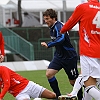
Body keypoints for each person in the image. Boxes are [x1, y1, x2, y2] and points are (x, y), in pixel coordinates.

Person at [59, 0, 100, 100]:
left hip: (89, 51)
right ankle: (74, 93)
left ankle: (74, 93)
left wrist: (62, 29)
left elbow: (67, 27)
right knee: (92, 82)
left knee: (88, 84)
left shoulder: (83, 7)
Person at [41, 9, 83, 100]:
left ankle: (81, 98)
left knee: (73, 82)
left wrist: (49, 44)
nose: (46, 21)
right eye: (45, 19)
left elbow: (61, 38)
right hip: (59, 56)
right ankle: (57, 96)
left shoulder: (59, 26)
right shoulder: (52, 27)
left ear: (54, 18)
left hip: (69, 57)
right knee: (49, 74)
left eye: (47, 19)